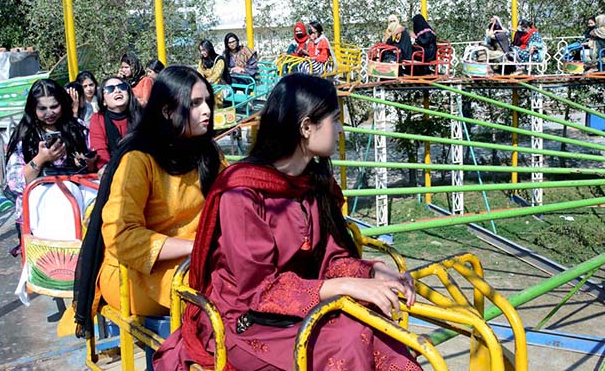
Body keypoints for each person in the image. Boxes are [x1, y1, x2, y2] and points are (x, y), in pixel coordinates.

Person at [154, 73, 420, 371]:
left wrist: (372, 272)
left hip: (301, 308)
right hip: (248, 321)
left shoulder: (312, 183)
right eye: (335, 119)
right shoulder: (243, 193)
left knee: (381, 333)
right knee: (350, 341)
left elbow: (330, 258)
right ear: (306, 127)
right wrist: (345, 286)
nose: (341, 130)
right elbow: (259, 290)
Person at [73, 66, 224, 336]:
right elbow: (121, 237)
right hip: (135, 273)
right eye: (195, 104)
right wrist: (195, 247)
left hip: (198, 259)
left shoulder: (209, 153)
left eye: (208, 102)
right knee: (224, 289)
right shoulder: (138, 159)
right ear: (166, 111)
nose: (207, 112)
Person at [5, 79, 96, 253]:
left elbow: (92, 165)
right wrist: (40, 159)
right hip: (41, 209)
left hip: (77, 202)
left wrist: (86, 161)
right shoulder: (25, 136)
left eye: (54, 107)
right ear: (33, 109)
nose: (49, 113)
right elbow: (16, 183)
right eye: (42, 109)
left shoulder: (78, 129)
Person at [88, 76, 140, 173]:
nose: (117, 90)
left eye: (122, 86)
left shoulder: (142, 115)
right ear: (103, 100)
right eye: (110, 89)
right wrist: (105, 168)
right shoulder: (98, 119)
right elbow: (99, 149)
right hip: (112, 170)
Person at [197, 40, 229, 107]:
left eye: (204, 50)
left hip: (220, 85)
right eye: (201, 51)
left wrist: (206, 82)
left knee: (212, 93)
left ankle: (216, 110)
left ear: (209, 48)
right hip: (207, 84)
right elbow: (199, 72)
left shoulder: (219, 60)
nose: (202, 53)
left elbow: (217, 76)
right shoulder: (202, 61)